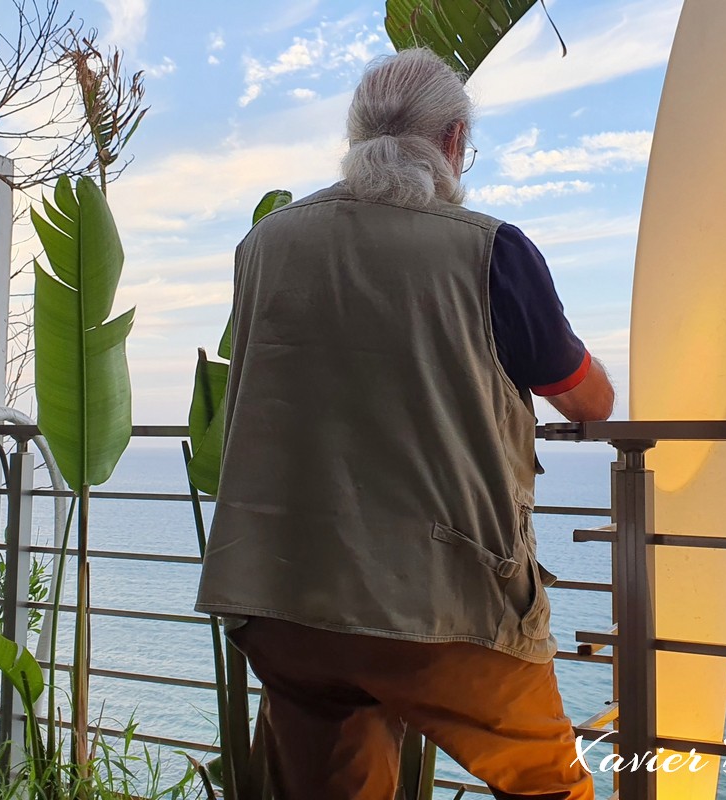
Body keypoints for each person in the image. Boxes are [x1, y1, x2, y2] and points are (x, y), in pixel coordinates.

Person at [194, 48, 614, 800]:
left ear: (357, 139)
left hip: (289, 604)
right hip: (448, 611)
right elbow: (585, 399)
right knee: (550, 786)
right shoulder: (490, 250)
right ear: (453, 143)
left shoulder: (265, 244)